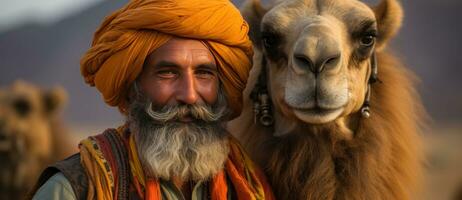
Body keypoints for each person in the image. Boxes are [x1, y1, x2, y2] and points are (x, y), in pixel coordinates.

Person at [29, 0, 274, 199]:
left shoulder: (250, 184)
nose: (189, 95)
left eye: (204, 73)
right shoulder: (76, 189)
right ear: (134, 85)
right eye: (167, 73)